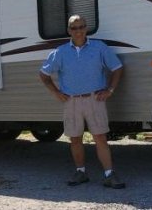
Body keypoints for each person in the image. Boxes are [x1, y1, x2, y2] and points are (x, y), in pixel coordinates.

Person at [39, 14, 125, 189]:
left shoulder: (99, 48)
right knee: (75, 139)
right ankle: (80, 172)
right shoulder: (60, 52)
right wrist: (56, 93)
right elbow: (43, 74)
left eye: (81, 27)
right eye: (74, 27)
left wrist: (109, 90)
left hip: (95, 99)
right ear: (69, 30)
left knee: (100, 137)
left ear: (86, 28)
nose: (78, 31)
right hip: (71, 101)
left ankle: (109, 174)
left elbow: (117, 68)